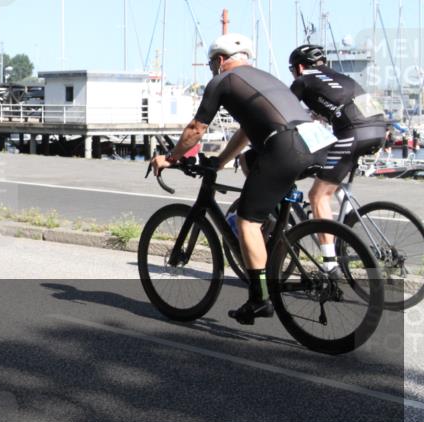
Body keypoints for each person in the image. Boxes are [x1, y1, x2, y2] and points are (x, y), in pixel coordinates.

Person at [150, 33, 334, 325]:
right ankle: (276, 233)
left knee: (248, 220)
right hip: (317, 143)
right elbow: (247, 131)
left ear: (220, 60)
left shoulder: (222, 81)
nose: (212, 68)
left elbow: (196, 128)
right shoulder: (263, 78)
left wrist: (170, 158)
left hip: (286, 146)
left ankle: (260, 299)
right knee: (254, 168)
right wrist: (221, 162)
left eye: (212, 63)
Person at [288, 45, 387, 274]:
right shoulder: (344, 78)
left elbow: (284, 113)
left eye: (292, 69)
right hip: (379, 130)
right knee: (331, 172)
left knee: (317, 194)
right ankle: (346, 204)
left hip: (353, 134)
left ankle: (330, 264)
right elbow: (340, 105)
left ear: (300, 67)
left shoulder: (303, 80)